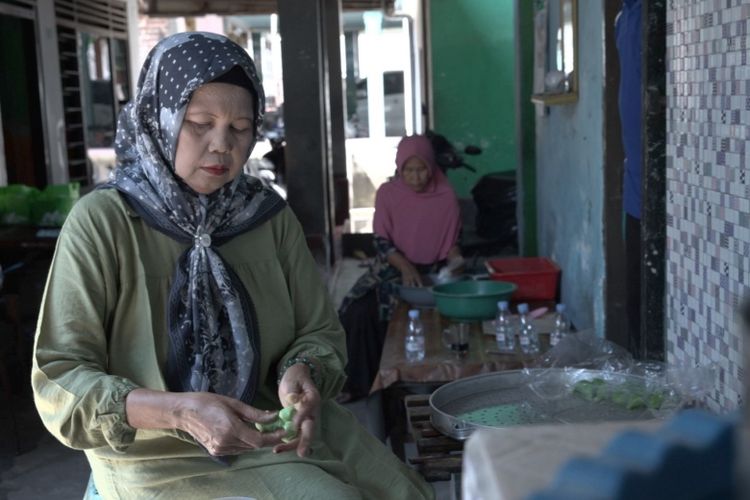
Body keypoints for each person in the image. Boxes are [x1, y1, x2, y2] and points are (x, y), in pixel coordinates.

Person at [31, 32, 433, 500]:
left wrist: (302, 372)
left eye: (240, 128)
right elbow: (60, 378)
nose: (222, 145)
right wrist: (178, 412)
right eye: (200, 123)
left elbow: (319, 332)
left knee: (407, 492)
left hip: (275, 431)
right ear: (159, 118)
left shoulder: (267, 216)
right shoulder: (105, 222)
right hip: (156, 453)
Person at [338, 135, 462, 401]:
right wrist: (404, 266)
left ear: (431, 167)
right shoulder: (388, 194)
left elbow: (451, 244)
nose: (415, 177)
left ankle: (424, 386)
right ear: (399, 168)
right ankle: (361, 386)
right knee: (358, 312)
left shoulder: (446, 196)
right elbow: (381, 241)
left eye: (421, 170)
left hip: (431, 274)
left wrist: (455, 261)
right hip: (391, 267)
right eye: (409, 170)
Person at [616, 0, 643, 356]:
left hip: (663, 187)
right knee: (636, 297)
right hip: (636, 184)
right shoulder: (624, 17)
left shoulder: (657, 13)